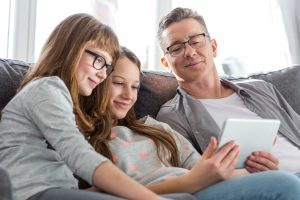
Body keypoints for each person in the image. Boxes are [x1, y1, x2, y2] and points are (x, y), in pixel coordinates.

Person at [0, 13, 195, 200]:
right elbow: (80, 156)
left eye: (107, 67)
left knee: (184, 198)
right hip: (29, 192)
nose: (103, 75)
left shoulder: (62, 99)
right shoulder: (45, 89)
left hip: (58, 190)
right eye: (99, 60)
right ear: (72, 49)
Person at [93, 46, 300, 200]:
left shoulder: (155, 128)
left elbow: (200, 169)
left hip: (201, 187)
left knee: (291, 178)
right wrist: (194, 181)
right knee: (285, 183)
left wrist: (252, 167)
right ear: (98, 80)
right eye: (119, 83)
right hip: (181, 193)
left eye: (135, 86)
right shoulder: (82, 140)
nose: (129, 95)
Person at [156, 7, 300, 174]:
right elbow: (192, 176)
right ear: (166, 63)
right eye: (176, 48)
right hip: (270, 184)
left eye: (195, 41)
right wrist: (252, 174)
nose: (189, 52)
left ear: (213, 47)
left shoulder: (261, 88)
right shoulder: (172, 116)